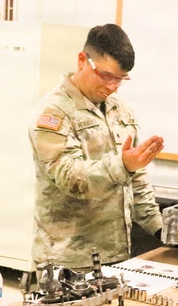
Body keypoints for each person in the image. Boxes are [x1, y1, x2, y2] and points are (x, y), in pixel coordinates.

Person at [29, 23, 164, 270]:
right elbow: (69, 178)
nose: (112, 86)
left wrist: (161, 230)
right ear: (82, 60)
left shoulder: (119, 108)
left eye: (120, 79)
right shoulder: (54, 113)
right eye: (106, 76)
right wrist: (123, 165)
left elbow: (136, 180)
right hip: (69, 261)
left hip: (117, 253)